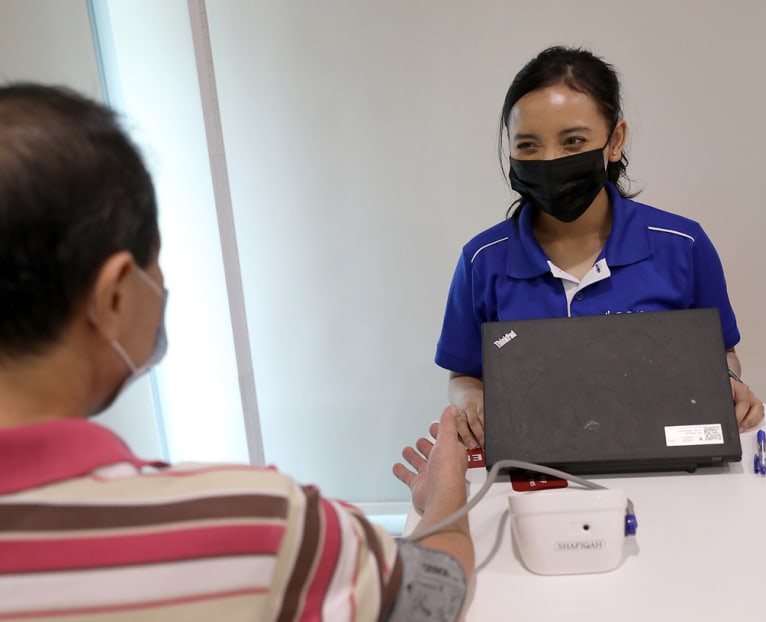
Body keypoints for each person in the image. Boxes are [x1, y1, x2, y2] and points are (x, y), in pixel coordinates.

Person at [0, 83, 472, 621]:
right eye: (155, 264)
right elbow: (439, 591)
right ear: (113, 296)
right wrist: (446, 493)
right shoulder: (259, 527)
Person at [435, 46, 764, 450]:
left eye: (572, 141)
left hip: (664, 466)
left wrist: (728, 383)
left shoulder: (684, 245)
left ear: (615, 140)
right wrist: (471, 402)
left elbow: (721, 354)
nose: (550, 160)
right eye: (528, 146)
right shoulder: (481, 260)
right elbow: (464, 375)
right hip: (532, 466)